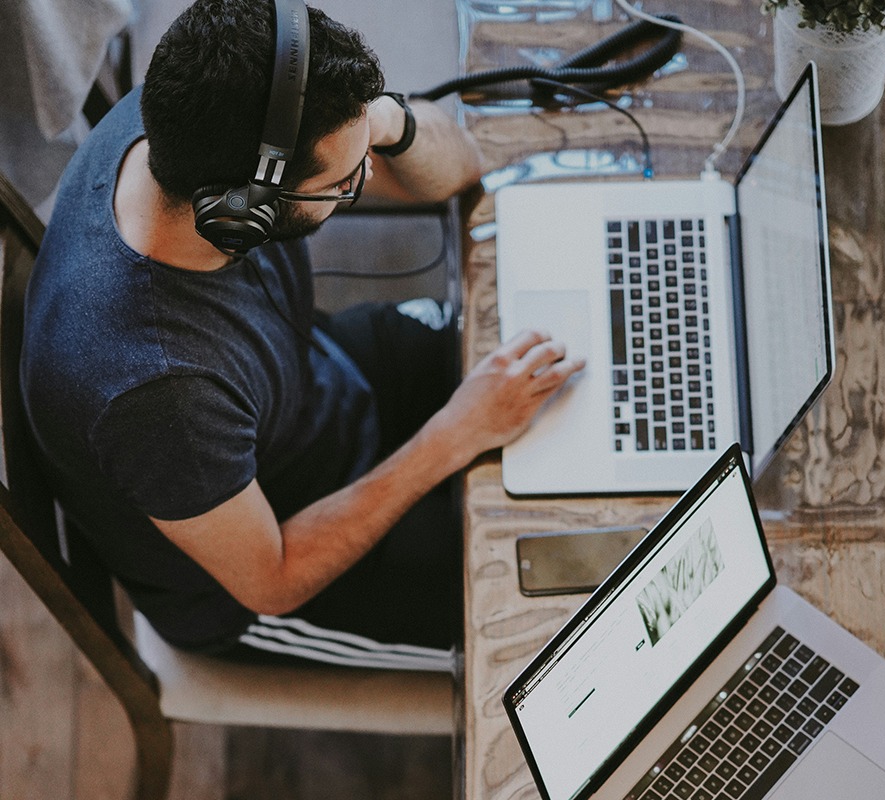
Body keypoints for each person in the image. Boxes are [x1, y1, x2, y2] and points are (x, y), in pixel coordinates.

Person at [20, 0, 584, 670]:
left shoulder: (195, 112)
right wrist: (454, 436)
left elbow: (459, 169)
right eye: (342, 183)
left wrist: (380, 120)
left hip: (313, 390)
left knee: (571, 379)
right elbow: (274, 578)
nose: (367, 177)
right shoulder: (156, 393)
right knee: (559, 609)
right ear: (241, 216)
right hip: (272, 570)